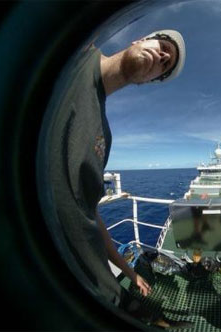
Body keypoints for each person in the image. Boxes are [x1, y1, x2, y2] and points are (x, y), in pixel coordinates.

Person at [40, 29, 186, 327]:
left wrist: (130, 273)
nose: (162, 56)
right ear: (139, 40)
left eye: (165, 65)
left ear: (148, 80)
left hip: (99, 287)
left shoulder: (104, 136)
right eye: (163, 47)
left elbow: (89, 212)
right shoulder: (78, 54)